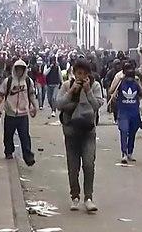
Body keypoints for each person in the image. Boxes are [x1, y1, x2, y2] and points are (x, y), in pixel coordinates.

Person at [56, 59, 103, 212]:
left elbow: (97, 106)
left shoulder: (95, 86)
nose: (81, 77)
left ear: (89, 74)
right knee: (73, 166)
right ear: (74, 73)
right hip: (71, 131)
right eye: (78, 73)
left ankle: (88, 197)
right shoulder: (66, 86)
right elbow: (58, 104)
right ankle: (74, 196)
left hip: (88, 131)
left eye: (84, 74)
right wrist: (71, 92)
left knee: (89, 164)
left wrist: (88, 91)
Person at [0, 59, 38, 166]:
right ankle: (9, 151)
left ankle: (28, 157)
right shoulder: (8, 81)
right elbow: (1, 95)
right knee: (8, 135)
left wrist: (34, 106)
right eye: (17, 69)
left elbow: (31, 94)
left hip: (23, 114)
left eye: (21, 69)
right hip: (10, 113)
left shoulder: (28, 82)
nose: (19, 71)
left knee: (25, 136)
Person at [114, 63, 142, 164]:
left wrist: (138, 83)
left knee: (132, 132)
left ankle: (130, 152)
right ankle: (124, 153)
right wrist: (118, 82)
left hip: (134, 113)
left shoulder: (136, 83)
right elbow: (111, 90)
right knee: (124, 131)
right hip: (123, 112)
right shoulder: (120, 81)